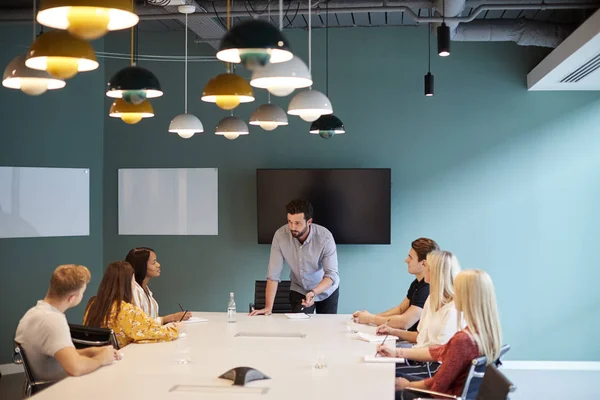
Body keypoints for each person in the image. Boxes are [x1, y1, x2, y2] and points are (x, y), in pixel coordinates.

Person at [377, 270, 502, 400]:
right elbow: (440, 351)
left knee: (384, 382)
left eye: (457, 290)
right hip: (452, 392)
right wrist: (397, 352)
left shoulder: (463, 340)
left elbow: (438, 386)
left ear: (467, 296)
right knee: (388, 374)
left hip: (443, 395)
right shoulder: (484, 332)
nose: (453, 294)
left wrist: (407, 385)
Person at [15, 264, 120, 382]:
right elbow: (76, 368)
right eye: (82, 292)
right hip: (57, 388)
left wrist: (92, 352)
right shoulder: (53, 321)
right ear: (71, 298)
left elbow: (63, 355)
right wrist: (101, 359)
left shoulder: (32, 314)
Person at [376, 250, 462, 378]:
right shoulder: (432, 299)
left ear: (435, 272)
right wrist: (392, 331)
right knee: (379, 368)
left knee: (384, 375)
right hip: (420, 360)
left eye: (426, 265)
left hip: (436, 368)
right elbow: (419, 336)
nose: (424, 266)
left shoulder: (453, 310)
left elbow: (439, 353)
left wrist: (398, 352)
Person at [250, 199, 340, 315]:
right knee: (299, 327)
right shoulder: (280, 236)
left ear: (309, 222)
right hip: (299, 288)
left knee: (327, 329)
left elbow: (331, 275)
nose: (292, 227)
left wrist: (313, 292)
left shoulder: (325, 238)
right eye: (289, 221)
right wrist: (268, 307)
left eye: (297, 223)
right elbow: (273, 275)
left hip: (326, 288)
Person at [84, 261, 180, 349]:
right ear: (127, 283)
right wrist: (176, 327)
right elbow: (161, 333)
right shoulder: (126, 310)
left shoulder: (92, 305)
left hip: (97, 357)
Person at [353, 238, 439, 330]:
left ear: (423, 263)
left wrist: (372, 319)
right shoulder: (417, 283)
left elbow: (405, 322)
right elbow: (400, 309)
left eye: (410, 257)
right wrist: (370, 316)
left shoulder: (427, 288)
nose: (406, 260)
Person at [125, 247, 190, 324]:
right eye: (153, 262)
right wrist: (171, 318)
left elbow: (150, 319)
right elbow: (139, 324)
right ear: (142, 266)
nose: (158, 265)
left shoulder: (145, 289)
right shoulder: (134, 290)